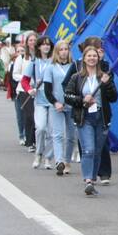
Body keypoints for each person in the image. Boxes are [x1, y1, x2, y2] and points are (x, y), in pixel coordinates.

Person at [64, 43, 117, 197]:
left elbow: (113, 97)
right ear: (84, 59)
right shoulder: (77, 77)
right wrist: (82, 99)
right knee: (89, 149)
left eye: (95, 56)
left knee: (97, 151)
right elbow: (67, 96)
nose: (92, 58)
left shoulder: (105, 76)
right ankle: (88, 180)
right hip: (84, 118)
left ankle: (92, 179)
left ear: (98, 58)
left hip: (101, 117)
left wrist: (107, 85)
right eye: (89, 56)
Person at [42, 39, 77, 176]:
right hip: (56, 104)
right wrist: (55, 102)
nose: (63, 52)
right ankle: (59, 161)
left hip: (71, 103)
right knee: (57, 134)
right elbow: (47, 89)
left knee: (71, 136)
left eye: (66, 49)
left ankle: (67, 161)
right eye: (61, 49)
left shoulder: (74, 66)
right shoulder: (50, 67)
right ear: (56, 52)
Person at [22, 35, 54, 169]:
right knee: (40, 128)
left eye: (48, 44)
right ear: (39, 47)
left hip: (53, 100)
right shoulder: (34, 62)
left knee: (52, 131)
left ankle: (48, 158)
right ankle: (38, 153)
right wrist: (29, 90)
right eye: (43, 44)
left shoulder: (55, 61)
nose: (46, 46)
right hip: (40, 100)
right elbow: (24, 80)